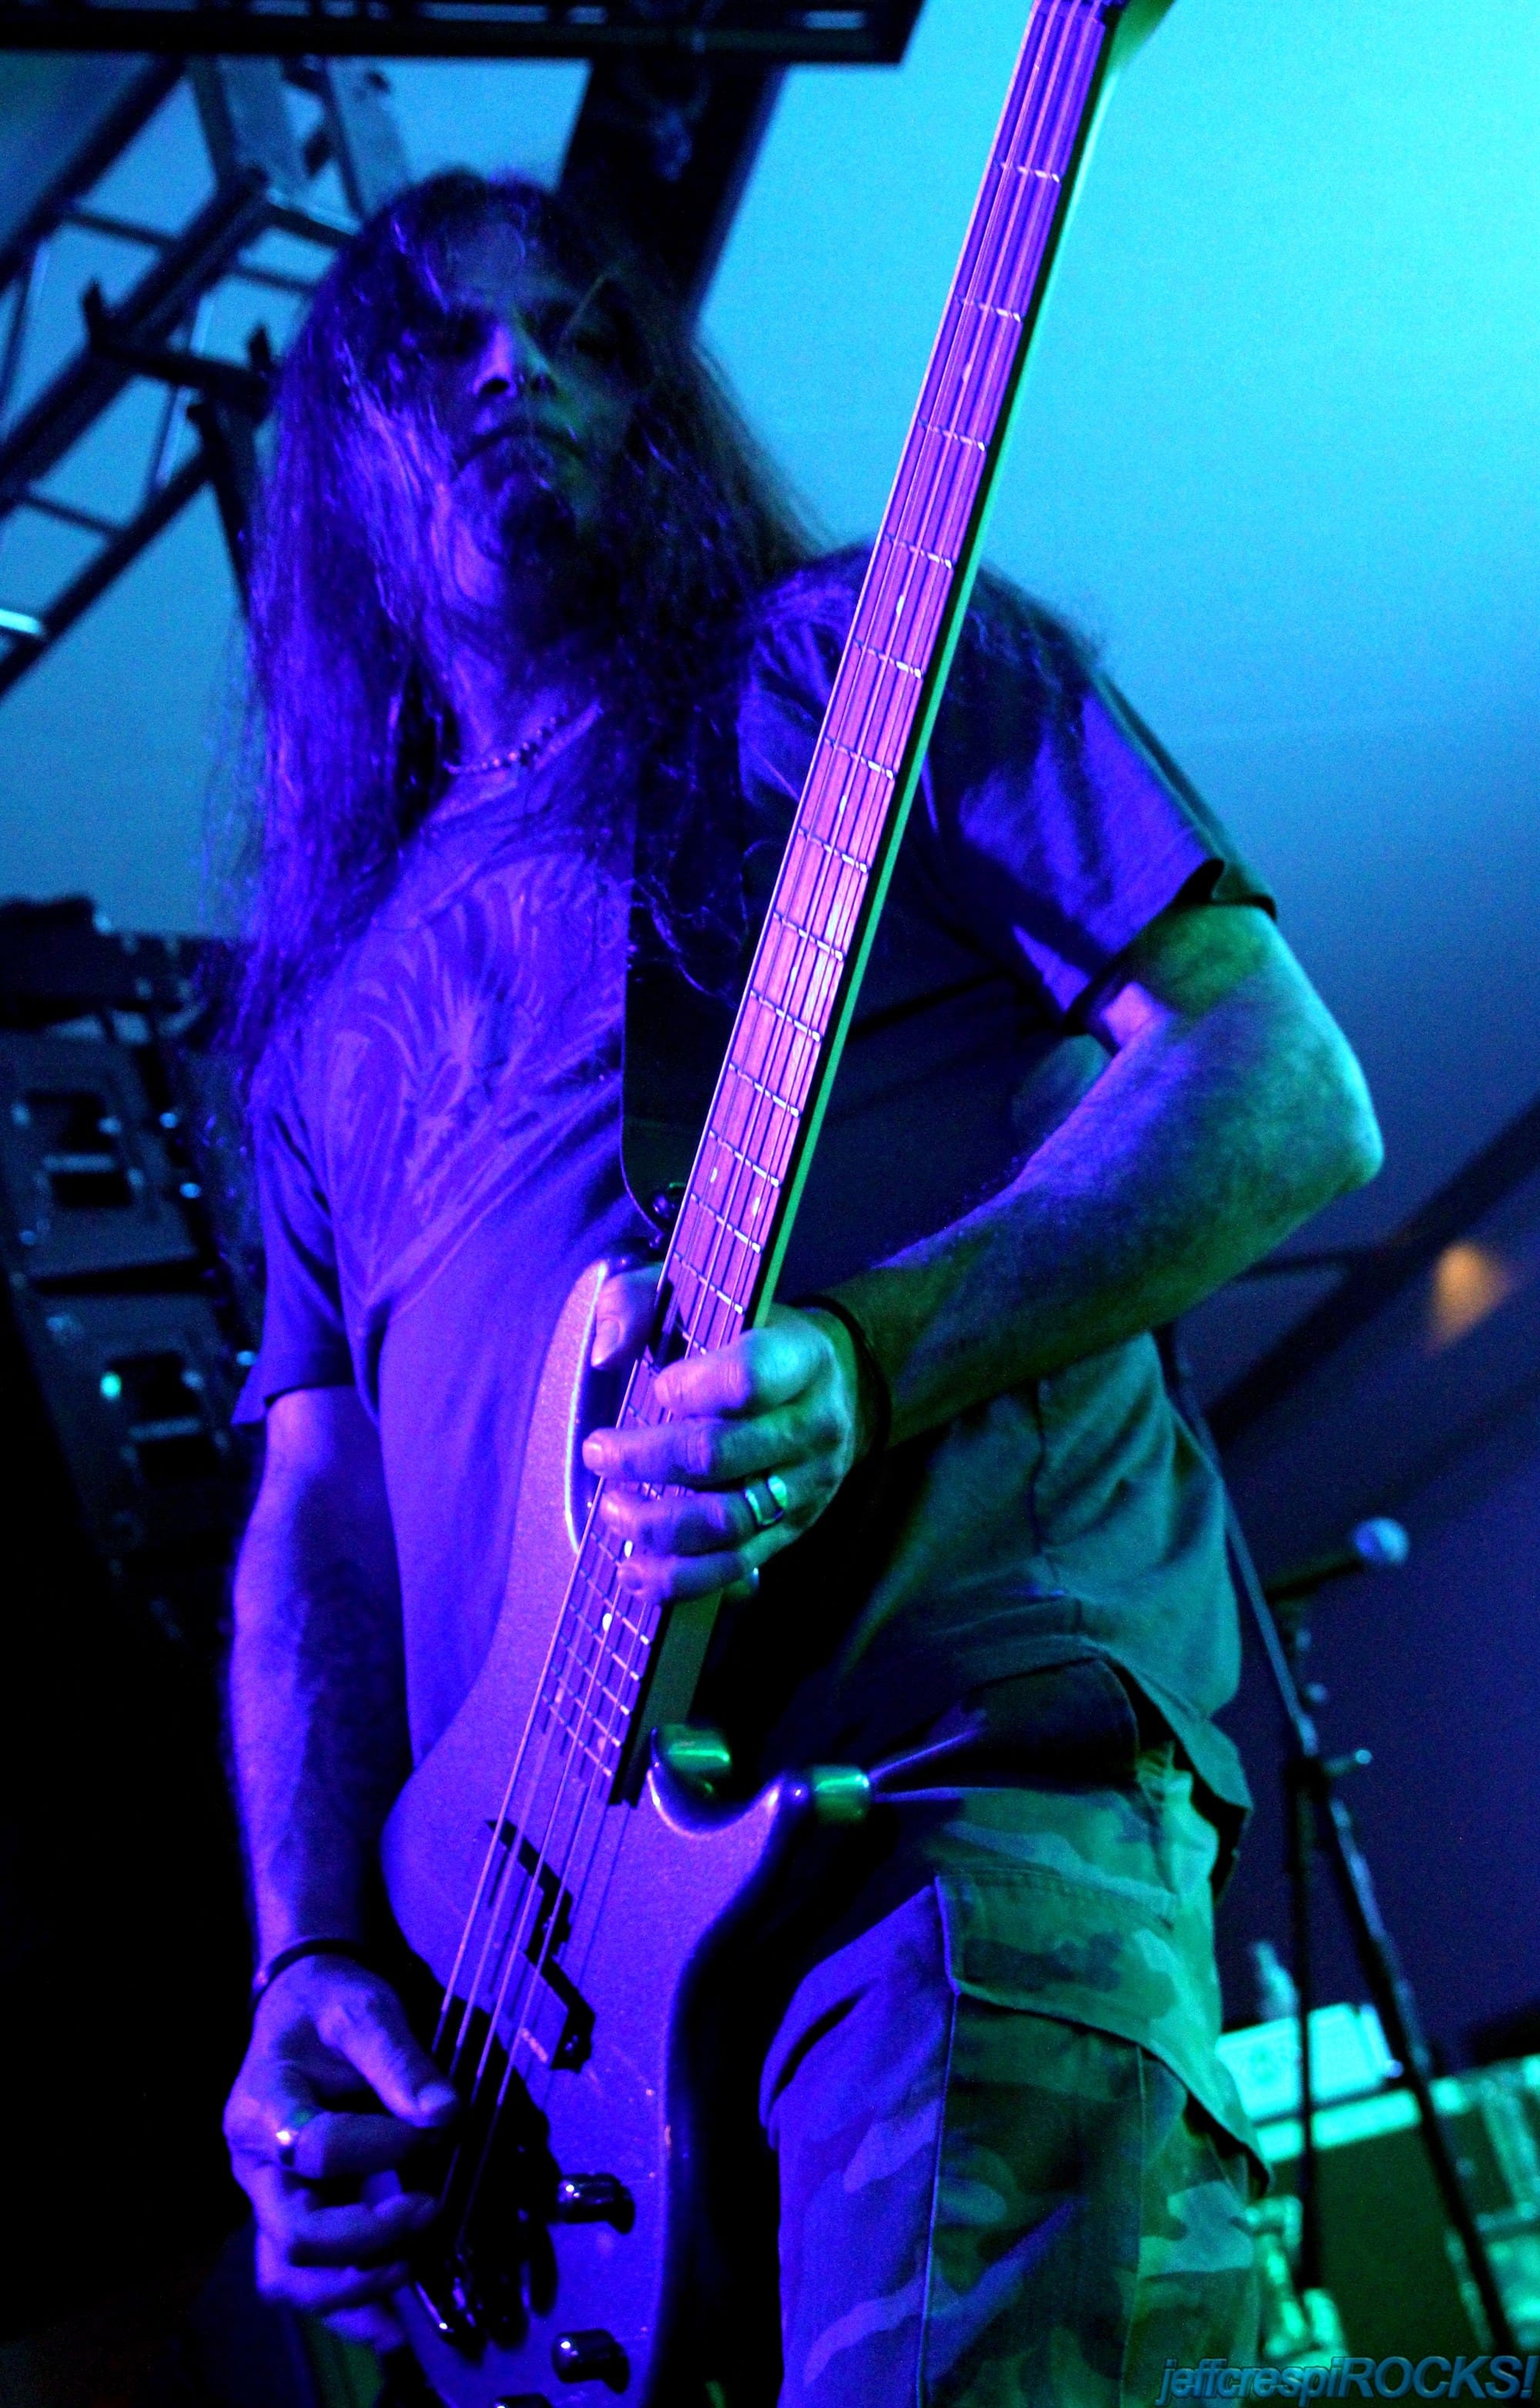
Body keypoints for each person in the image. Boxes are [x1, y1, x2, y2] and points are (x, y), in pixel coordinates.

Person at [220, 170, 1381, 2405]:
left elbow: (1281, 1084)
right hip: (528, 2034)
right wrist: (308, 1959)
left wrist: (868, 1350)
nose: (522, 367)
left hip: (935, 1819)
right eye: (444, 342)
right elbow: (316, 1524)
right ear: (333, 465)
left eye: (586, 331)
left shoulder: (849, 667)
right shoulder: (318, 1018)